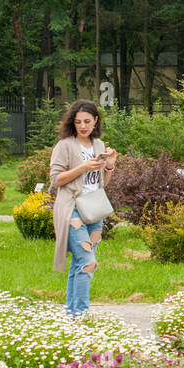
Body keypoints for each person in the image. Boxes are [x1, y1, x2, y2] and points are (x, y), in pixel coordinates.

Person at [49, 100, 118, 318]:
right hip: (72, 208)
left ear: (96, 120)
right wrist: (83, 167)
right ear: (73, 123)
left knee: (80, 263)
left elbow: (101, 183)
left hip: (94, 209)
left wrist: (109, 165)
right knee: (88, 262)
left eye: (87, 121)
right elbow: (56, 180)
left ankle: (71, 314)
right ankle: (81, 315)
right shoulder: (64, 146)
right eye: (78, 122)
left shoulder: (98, 145)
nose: (83, 126)